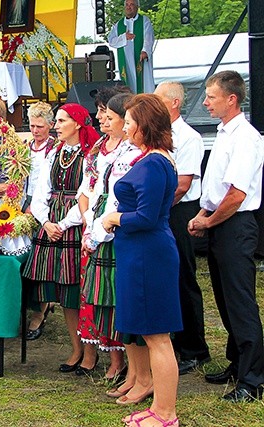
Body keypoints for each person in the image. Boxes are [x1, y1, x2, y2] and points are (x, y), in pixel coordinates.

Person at [102, 94, 180, 426]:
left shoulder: (153, 164)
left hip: (148, 253)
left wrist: (115, 218)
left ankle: (165, 414)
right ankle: (159, 408)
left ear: (144, 125)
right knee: (151, 335)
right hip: (142, 252)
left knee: (157, 337)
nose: (127, 127)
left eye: (131, 122)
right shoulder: (153, 159)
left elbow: (147, 217)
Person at [188, 70, 264, 403]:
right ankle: (237, 362)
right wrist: (204, 214)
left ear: (231, 99)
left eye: (211, 97)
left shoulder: (245, 137)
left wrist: (209, 221)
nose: (205, 102)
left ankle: (253, 378)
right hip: (219, 221)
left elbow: (236, 194)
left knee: (241, 301)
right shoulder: (224, 133)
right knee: (223, 297)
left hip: (236, 224)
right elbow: (217, 189)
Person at [20, 104, 99, 366]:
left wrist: (63, 224)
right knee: (65, 293)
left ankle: (94, 351)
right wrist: (45, 221)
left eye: (62, 121)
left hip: (76, 225)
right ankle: (77, 349)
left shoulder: (90, 154)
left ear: (77, 123)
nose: (57, 125)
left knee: (81, 291)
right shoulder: (55, 153)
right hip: (53, 225)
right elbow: (41, 190)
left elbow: (89, 196)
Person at [78, 92, 139, 382]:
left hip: (114, 226)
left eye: (108, 115)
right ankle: (115, 358)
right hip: (98, 220)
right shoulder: (99, 148)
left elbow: (118, 195)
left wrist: (100, 228)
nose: (101, 118)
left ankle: (132, 364)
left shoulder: (132, 151)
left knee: (117, 296)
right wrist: (90, 222)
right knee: (102, 297)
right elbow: (89, 188)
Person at [154, 81, 211, 376]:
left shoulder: (188, 136)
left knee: (184, 277)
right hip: (162, 209)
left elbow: (182, 184)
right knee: (165, 278)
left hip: (178, 210)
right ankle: (173, 339)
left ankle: (194, 347)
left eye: (158, 99)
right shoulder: (159, 133)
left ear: (174, 103)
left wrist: (154, 205)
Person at [22, 102, 56, 341]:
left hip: (46, 206)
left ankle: (40, 311)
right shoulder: (24, 148)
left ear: (50, 126)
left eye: (40, 126)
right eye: (32, 125)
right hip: (24, 205)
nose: (35, 130)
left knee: (40, 263)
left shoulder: (55, 148)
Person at [107, 0, 155, 94]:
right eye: (127, 5)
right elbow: (111, 41)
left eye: (132, 5)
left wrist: (145, 50)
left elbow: (148, 37)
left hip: (140, 59)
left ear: (137, 7)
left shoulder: (144, 21)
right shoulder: (119, 25)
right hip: (126, 61)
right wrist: (124, 37)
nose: (129, 7)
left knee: (144, 84)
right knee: (127, 83)